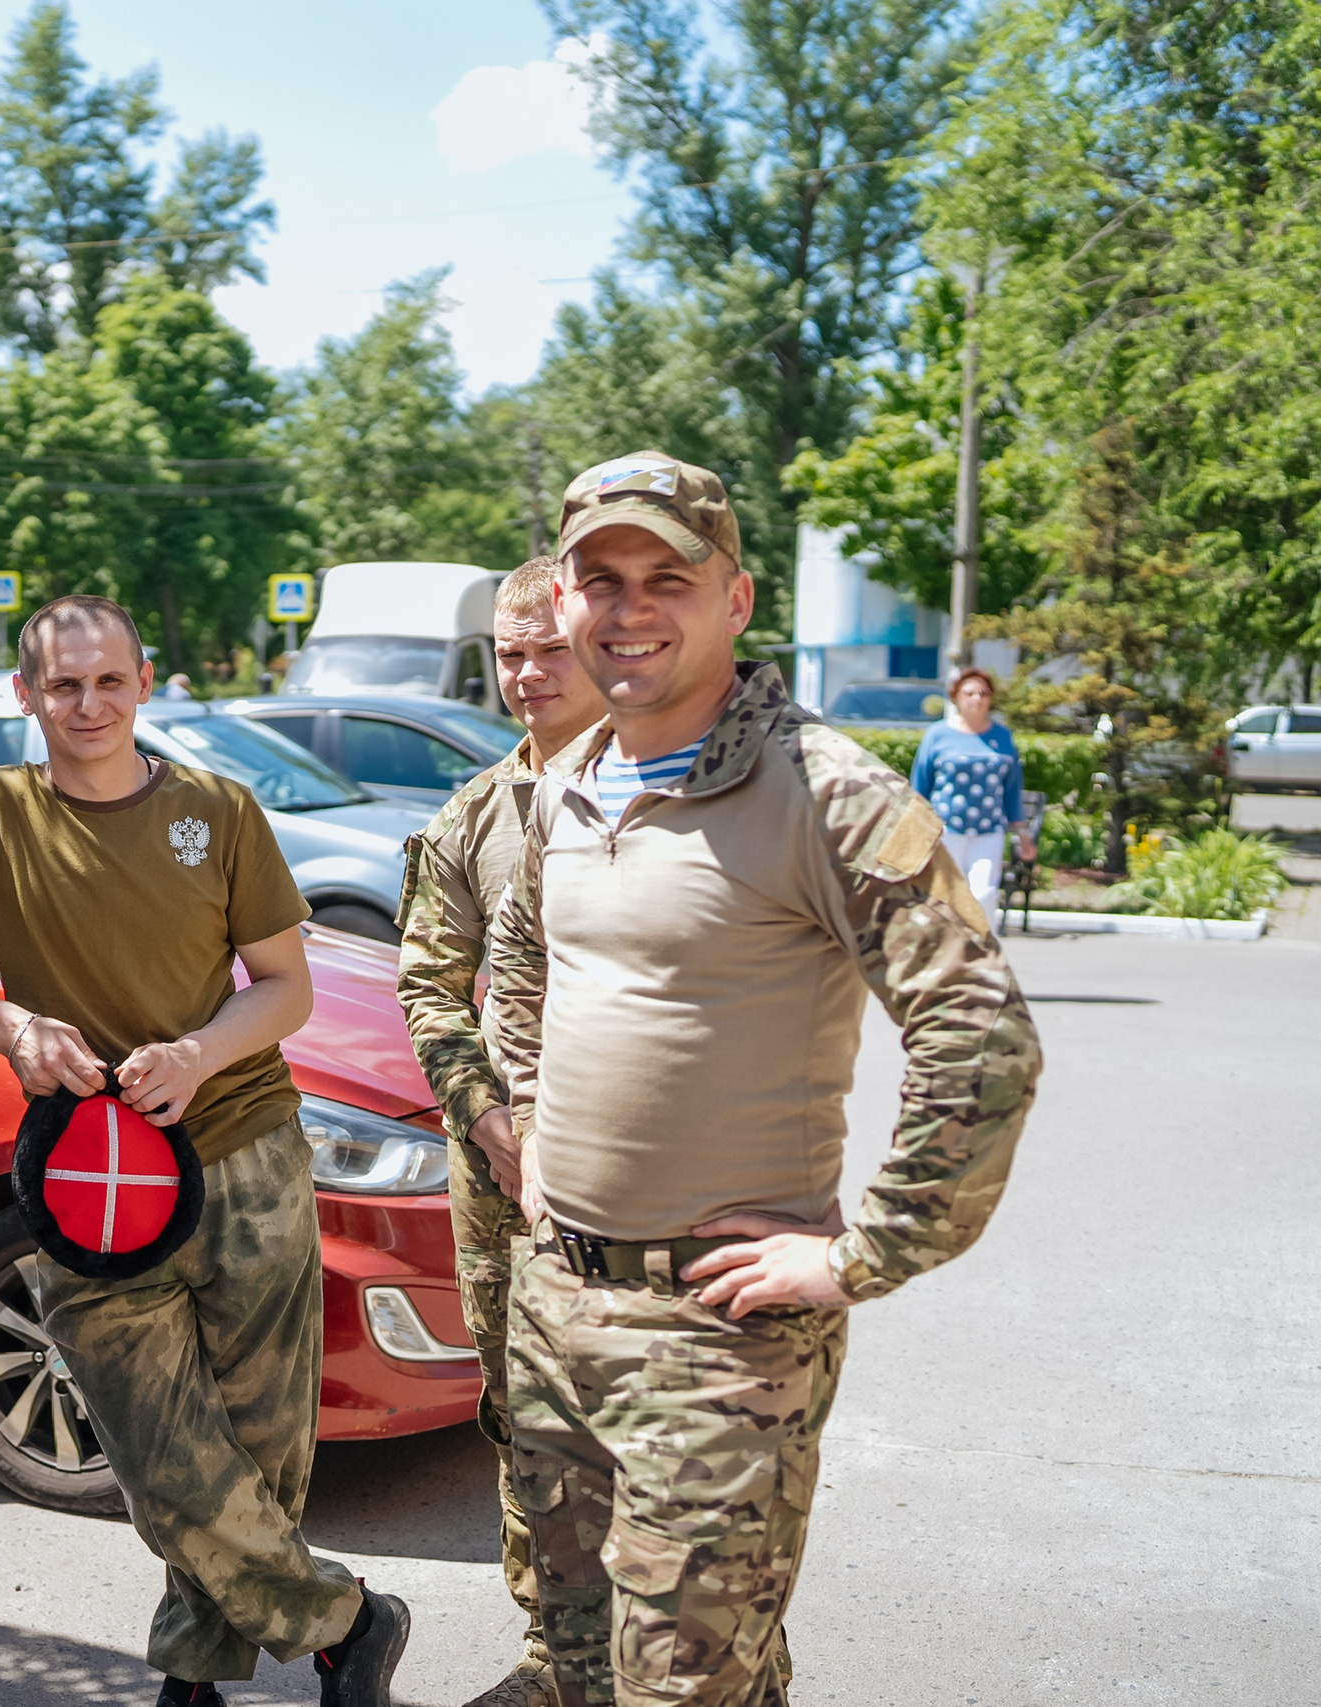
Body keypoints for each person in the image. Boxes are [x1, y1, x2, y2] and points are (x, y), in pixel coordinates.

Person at [457, 452, 1042, 1707]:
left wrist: (857, 1257)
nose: (628, 607)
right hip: (555, 1304)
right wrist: (524, 1123)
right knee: (570, 1668)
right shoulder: (566, 783)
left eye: (668, 576)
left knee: (684, 1688)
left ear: (738, 597)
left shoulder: (821, 793)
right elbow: (518, 957)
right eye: (598, 577)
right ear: (558, 599)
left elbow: (979, 1040)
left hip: (715, 1346)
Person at [0, 594, 411, 1707]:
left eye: (108, 680)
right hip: (83, 1183)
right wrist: (4, 1024)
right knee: (157, 1454)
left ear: (144, 683)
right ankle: (349, 1619)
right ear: (26, 695)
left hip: (243, 1149)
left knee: (259, 1443)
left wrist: (199, 1054)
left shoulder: (219, 808)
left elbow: (286, 988)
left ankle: (197, 1674)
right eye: (63, 684)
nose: (88, 703)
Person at [392, 556, 608, 1707]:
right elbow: (427, 984)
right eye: (508, 655)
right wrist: (486, 1116)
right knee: (521, 1416)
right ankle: (555, 1659)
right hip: (501, 1181)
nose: (527, 674)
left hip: (644, 1177)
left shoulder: (664, 796)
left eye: (547, 650)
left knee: (651, 1431)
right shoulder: (472, 814)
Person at [911, 666, 1036, 921]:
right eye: (969, 693)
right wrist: (916, 825)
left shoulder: (1002, 736)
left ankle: (983, 951)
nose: (976, 699)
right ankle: (945, 952)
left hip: (988, 830)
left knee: (984, 893)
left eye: (983, 693)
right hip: (946, 830)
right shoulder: (938, 735)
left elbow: (1012, 788)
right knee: (944, 894)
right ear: (956, 696)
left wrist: (1022, 831)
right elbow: (921, 783)